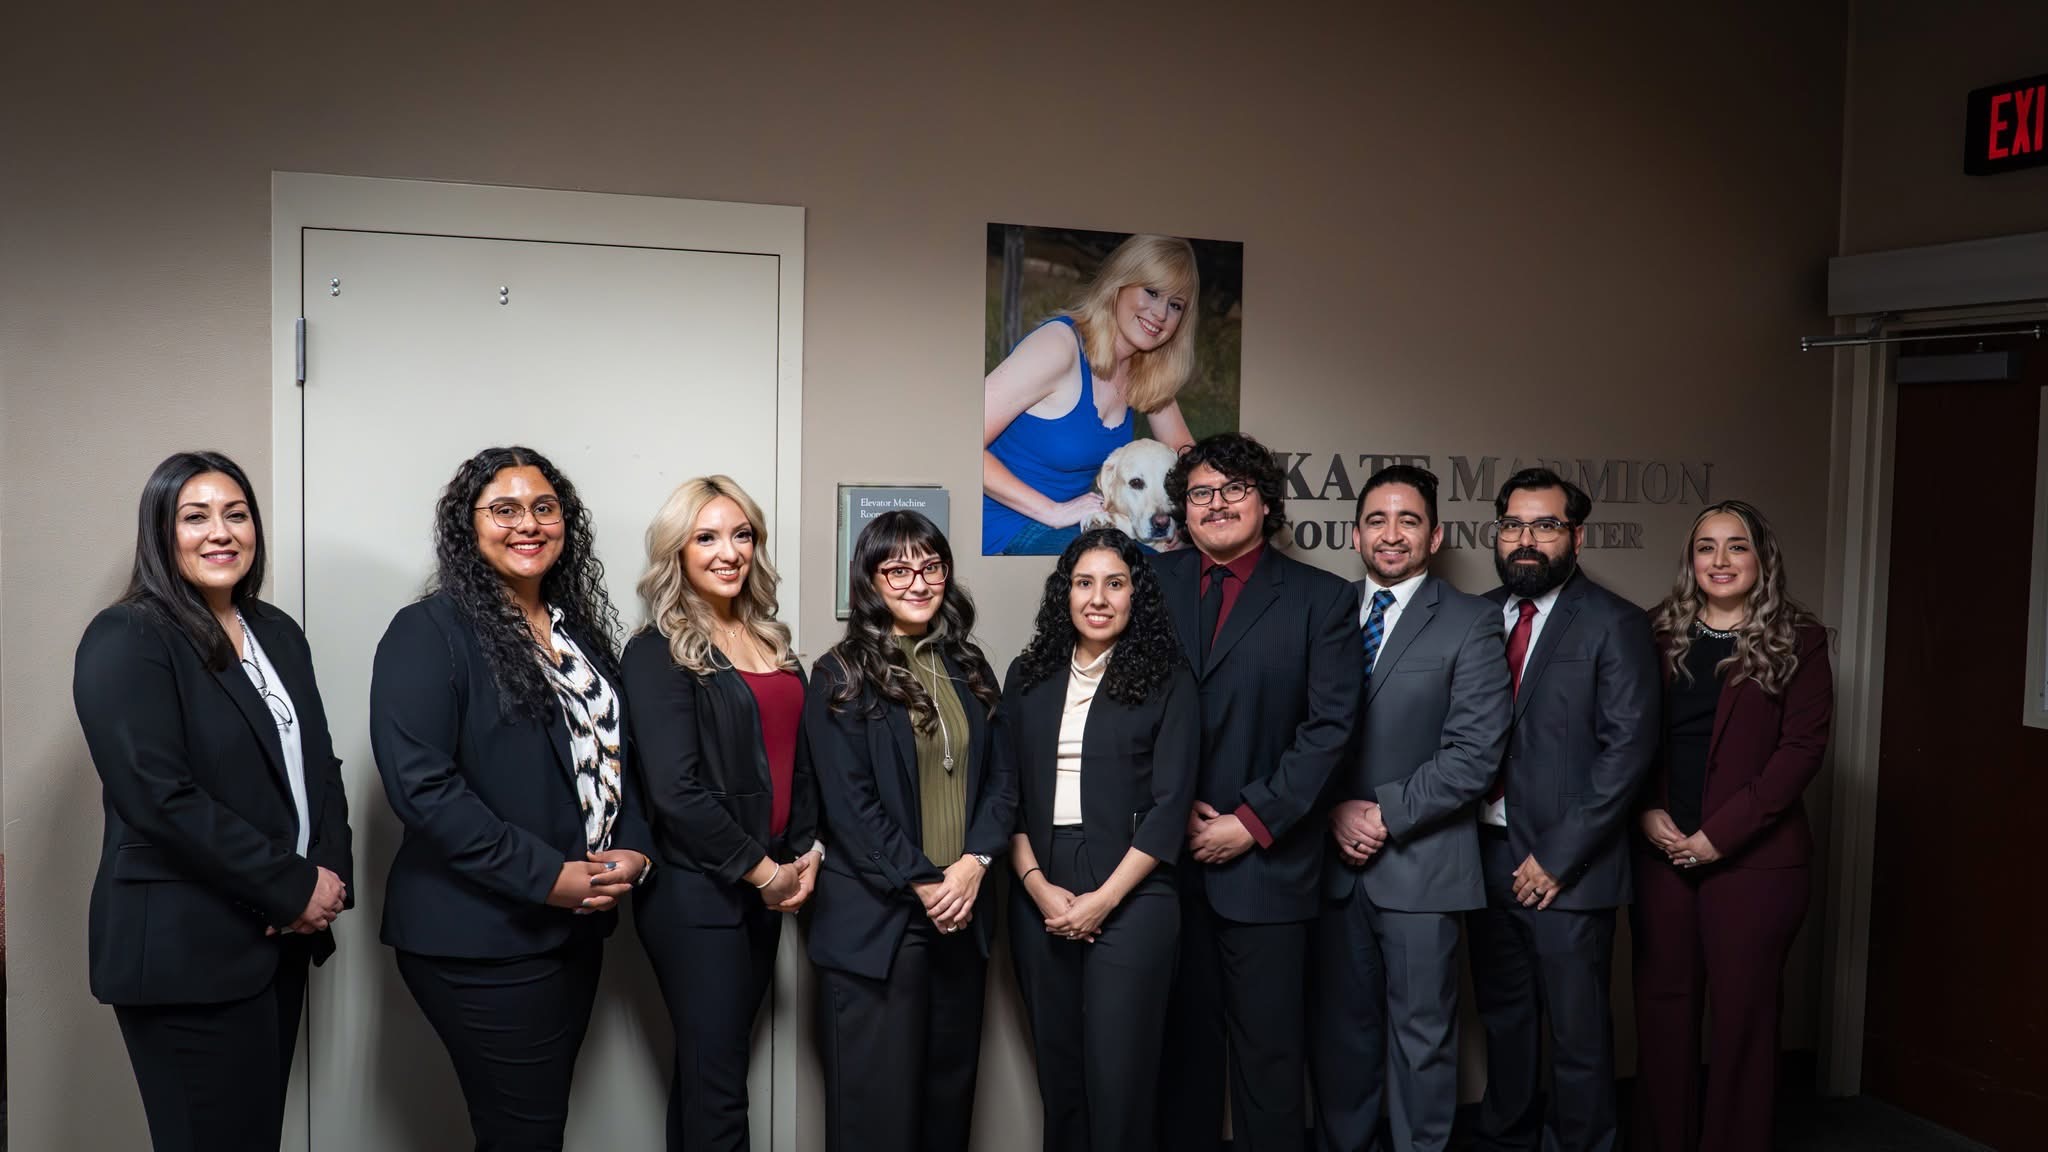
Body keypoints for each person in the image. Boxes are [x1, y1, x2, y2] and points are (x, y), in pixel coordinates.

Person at [371, 445, 653, 1152]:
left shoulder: (575, 633)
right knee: (524, 1135)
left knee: (530, 1130)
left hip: (573, 930)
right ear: (468, 526)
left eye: (544, 508)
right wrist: (547, 876)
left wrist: (636, 850)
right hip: (481, 936)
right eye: (504, 509)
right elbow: (423, 788)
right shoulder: (428, 632)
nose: (528, 523)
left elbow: (616, 758)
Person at [73, 450, 353, 1152]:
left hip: (279, 943)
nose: (221, 532)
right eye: (195, 517)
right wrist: (289, 886)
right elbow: (158, 797)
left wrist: (327, 879)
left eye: (237, 514)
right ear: (160, 532)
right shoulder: (128, 636)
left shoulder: (276, 632)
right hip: (186, 950)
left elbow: (318, 768)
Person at [1154, 432, 1363, 1152]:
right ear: (1184, 508)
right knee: (1179, 1059)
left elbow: (1330, 730)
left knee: (1270, 1064)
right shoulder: (1146, 584)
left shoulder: (1322, 600)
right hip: (1162, 865)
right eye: (1201, 493)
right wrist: (1168, 806)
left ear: (1266, 502)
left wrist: (1250, 821)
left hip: (1268, 869)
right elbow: (1122, 709)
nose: (1217, 504)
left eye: (1234, 489)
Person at [1312, 465, 1512, 1152]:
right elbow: (1294, 733)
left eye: (1408, 520)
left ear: (1435, 535)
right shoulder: (1325, 610)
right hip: (1330, 871)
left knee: (1423, 1041)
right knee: (1340, 1038)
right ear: (1355, 535)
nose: (1391, 534)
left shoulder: (1471, 621)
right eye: (1377, 520)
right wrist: (1333, 810)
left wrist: (1381, 814)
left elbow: (1474, 754)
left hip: (1423, 866)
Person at [803, 511, 1016, 1152]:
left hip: (962, 915)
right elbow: (850, 806)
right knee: (877, 1118)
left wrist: (974, 864)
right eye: (898, 570)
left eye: (931, 566)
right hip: (880, 924)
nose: (918, 582)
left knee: (947, 1108)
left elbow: (1004, 780)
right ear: (870, 580)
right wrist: (927, 883)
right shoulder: (841, 673)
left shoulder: (969, 664)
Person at [621, 475, 821, 1152]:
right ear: (677, 551)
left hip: (766, 886)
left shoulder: (773, 641)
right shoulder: (656, 651)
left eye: (742, 535)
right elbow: (675, 792)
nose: (728, 552)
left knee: (710, 1077)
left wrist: (806, 854)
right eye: (706, 537)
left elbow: (800, 761)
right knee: (720, 1089)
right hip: (697, 893)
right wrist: (764, 872)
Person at [1631, 501, 1832, 1152]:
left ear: (1761, 558)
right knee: (1662, 1011)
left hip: (1756, 863)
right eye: (1706, 547)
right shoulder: (1653, 633)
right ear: (1690, 559)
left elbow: (1801, 751)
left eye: (1736, 546)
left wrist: (1721, 835)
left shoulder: (1801, 641)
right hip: (1662, 853)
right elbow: (1626, 734)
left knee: (1745, 1018)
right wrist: (1644, 809)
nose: (1720, 561)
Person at [1468, 468, 1659, 1152]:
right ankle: (1508, 1137)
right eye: (1513, 525)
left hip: (1569, 869)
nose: (1526, 540)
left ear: (1576, 537)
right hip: (1485, 855)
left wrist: (1556, 857)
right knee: (1505, 1020)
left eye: (1545, 525)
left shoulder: (1616, 623)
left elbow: (1627, 752)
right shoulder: (1476, 615)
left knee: (1578, 1035)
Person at [1003, 528, 1200, 1152]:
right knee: (1060, 1080)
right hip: (1040, 884)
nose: (1098, 598)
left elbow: (1172, 806)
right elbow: (1005, 794)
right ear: (1065, 593)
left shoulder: (1168, 678)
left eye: (1115, 584)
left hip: (1133, 891)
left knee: (1121, 1082)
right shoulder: (1027, 676)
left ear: (1136, 594)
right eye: (1084, 583)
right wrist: (1037, 886)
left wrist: (1103, 901)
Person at [983, 233, 1201, 555]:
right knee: (1131, 564)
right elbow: (962, 439)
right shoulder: (1059, 346)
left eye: (1175, 305)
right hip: (1006, 526)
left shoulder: (1146, 370)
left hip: (1076, 529)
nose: (1160, 314)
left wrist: (1181, 521)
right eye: (1152, 292)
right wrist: (1054, 512)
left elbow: (1190, 461)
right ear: (1119, 284)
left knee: (1179, 562)